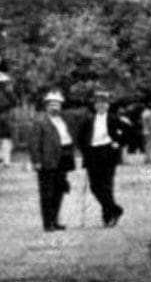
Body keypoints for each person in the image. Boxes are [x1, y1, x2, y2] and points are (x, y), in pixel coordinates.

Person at [76, 89, 128, 227]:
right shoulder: (88, 120)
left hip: (108, 153)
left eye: (104, 103)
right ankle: (115, 209)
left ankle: (107, 217)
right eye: (98, 103)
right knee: (94, 186)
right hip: (92, 154)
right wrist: (85, 150)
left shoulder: (114, 119)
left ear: (108, 105)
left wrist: (119, 143)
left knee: (107, 186)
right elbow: (80, 138)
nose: (101, 106)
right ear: (95, 106)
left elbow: (129, 131)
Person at [28, 90, 76, 232]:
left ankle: (55, 221)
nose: (55, 107)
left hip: (63, 159)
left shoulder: (62, 120)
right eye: (51, 104)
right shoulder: (40, 122)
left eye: (57, 104)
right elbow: (34, 143)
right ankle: (47, 223)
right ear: (46, 106)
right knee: (47, 193)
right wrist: (36, 160)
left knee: (59, 191)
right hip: (47, 161)